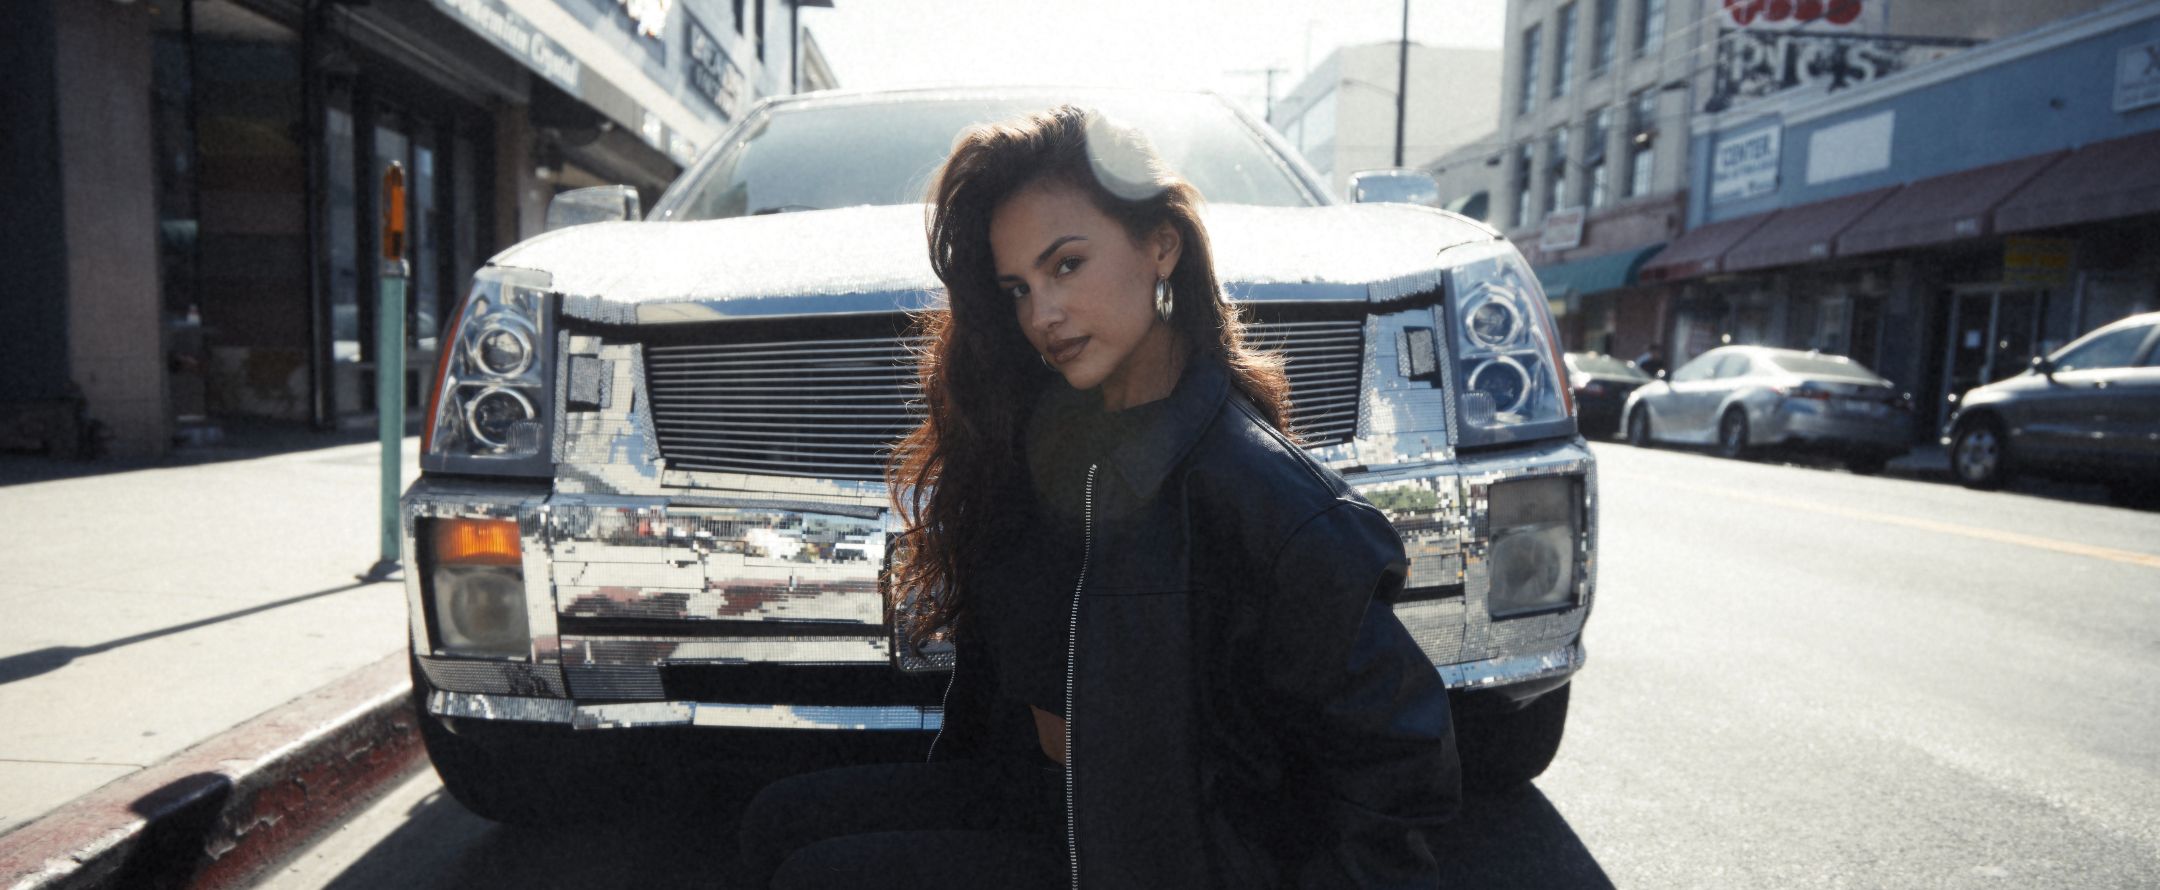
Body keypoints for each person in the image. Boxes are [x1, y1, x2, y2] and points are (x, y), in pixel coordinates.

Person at [736, 106, 1460, 890]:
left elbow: (1399, 773)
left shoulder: (1270, 498)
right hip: (1056, 801)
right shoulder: (1044, 443)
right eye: (1017, 287)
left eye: (1068, 265)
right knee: (777, 820)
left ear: (1161, 244)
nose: (1041, 314)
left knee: (820, 878)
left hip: (1165, 849)